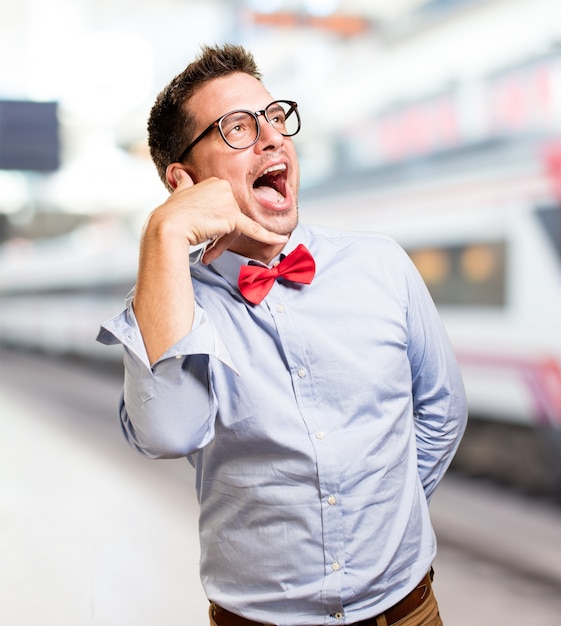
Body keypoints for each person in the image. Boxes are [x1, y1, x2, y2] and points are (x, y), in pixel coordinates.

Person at [97, 43, 467, 626]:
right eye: (238, 127)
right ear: (185, 180)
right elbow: (168, 431)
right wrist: (163, 233)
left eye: (275, 118)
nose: (271, 137)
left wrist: (382, 523)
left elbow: (441, 411)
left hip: (409, 613)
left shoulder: (382, 265)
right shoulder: (174, 307)